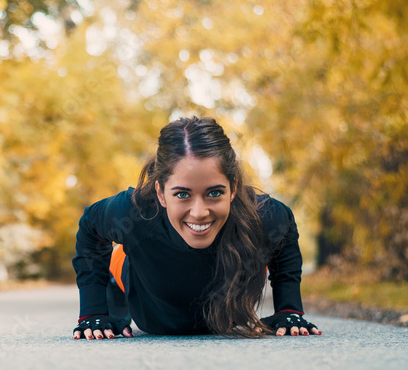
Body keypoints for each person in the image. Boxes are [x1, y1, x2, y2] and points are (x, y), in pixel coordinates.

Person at [72, 115, 322, 339]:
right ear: (160, 192)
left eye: (214, 192)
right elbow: (90, 226)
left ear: (233, 188)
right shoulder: (133, 212)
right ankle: (117, 284)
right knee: (123, 255)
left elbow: (285, 231)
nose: (200, 212)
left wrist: (289, 310)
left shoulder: (265, 216)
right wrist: (92, 313)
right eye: (182, 195)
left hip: (218, 314)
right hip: (134, 279)